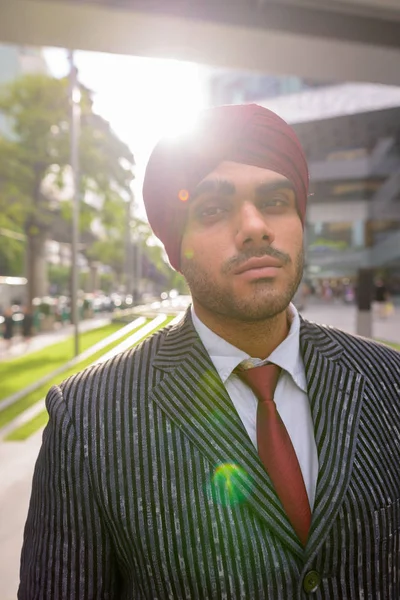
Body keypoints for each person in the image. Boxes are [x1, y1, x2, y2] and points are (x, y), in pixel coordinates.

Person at [19, 105, 400, 599]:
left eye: (277, 201)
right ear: (176, 249)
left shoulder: (388, 380)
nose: (255, 226)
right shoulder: (88, 419)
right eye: (214, 210)